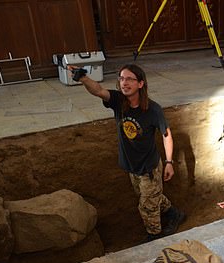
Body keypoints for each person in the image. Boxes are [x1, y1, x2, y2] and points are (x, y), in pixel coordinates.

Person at [71, 63, 185, 241]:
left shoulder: (153, 109)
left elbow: (166, 135)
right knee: (148, 197)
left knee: (146, 206)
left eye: (130, 79)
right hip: (132, 166)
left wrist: (169, 162)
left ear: (140, 84)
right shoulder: (118, 101)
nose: (124, 83)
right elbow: (99, 90)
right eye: (122, 78)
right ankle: (173, 213)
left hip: (149, 168)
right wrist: (83, 78)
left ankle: (154, 237)